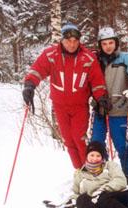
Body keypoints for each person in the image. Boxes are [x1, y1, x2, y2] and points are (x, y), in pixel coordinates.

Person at [22, 23, 108, 169]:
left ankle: (90, 170)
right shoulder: (51, 55)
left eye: (75, 41)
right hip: (60, 106)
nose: (72, 44)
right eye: (68, 40)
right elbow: (37, 70)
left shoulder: (88, 58)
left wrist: (101, 97)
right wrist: (30, 85)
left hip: (79, 106)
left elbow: (97, 81)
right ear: (62, 40)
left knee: (79, 138)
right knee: (68, 140)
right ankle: (79, 170)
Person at [91, 26, 128, 184]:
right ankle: (99, 174)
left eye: (111, 42)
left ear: (116, 43)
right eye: (104, 43)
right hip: (100, 108)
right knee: (96, 143)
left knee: (121, 144)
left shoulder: (126, 58)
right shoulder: (96, 60)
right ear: (100, 45)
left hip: (119, 108)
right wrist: (92, 97)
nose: (108, 46)